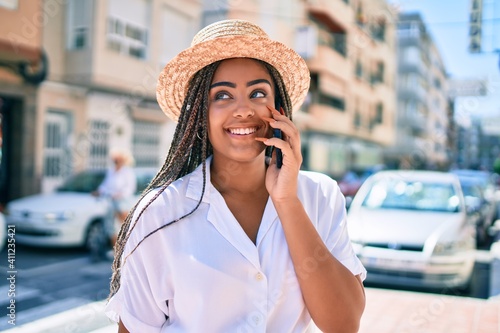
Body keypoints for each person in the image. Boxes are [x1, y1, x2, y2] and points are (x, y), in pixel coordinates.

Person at [106, 19, 366, 333]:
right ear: (200, 113)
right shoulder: (159, 212)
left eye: (258, 93)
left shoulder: (320, 195)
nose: (243, 110)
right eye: (223, 96)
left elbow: (344, 324)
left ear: (278, 108)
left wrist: (287, 202)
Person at [93, 148, 137, 251]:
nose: (116, 161)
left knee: (124, 226)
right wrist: (99, 191)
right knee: (111, 226)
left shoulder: (127, 172)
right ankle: (116, 250)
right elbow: (105, 185)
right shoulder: (111, 171)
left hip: (123, 202)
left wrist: (119, 194)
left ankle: (128, 248)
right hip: (111, 202)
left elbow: (130, 189)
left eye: (118, 159)